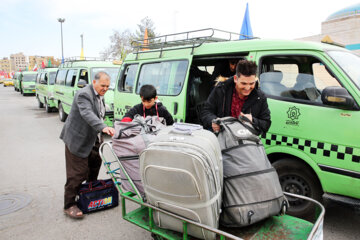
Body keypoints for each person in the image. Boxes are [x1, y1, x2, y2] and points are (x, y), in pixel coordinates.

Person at [60, 72, 115, 219]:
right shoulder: (84, 94)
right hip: (77, 140)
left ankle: (89, 193)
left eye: (108, 86)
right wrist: (103, 127)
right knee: (77, 174)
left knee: (95, 165)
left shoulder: (100, 96)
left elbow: (100, 113)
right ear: (94, 82)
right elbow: (87, 114)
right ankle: (69, 204)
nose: (105, 89)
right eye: (103, 85)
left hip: (93, 139)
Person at [201, 59, 271, 134]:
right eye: (243, 83)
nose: (247, 88)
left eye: (251, 83)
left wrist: (253, 120)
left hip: (247, 141)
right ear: (235, 79)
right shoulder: (220, 90)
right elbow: (206, 112)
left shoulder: (260, 97)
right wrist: (213, 121)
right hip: (221, 137)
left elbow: (266, 124)